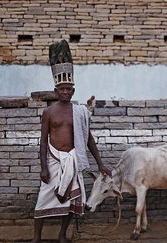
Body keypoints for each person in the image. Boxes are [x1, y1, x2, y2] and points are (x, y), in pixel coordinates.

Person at [32, 40, 111, 243]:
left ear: (73, 91)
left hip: (72, 161)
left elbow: (88, 140)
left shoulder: (80, 112)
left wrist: (100, 164)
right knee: (42, 199)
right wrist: (43, 167)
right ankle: (37, 238)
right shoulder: (48, 112)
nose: (65, 92)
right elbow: (42, 142)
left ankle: (62, 235)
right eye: (62, 89)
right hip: (53, 160)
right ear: (56, 91)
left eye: (69, 89)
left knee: (71, 199)